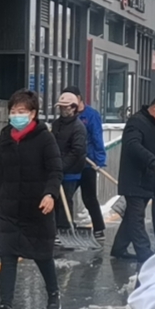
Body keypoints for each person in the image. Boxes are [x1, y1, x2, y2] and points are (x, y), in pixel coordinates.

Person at [0, 90, 64, 309]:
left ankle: (53, 294)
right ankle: (6, 306)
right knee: (7, 255)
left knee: (42, 254)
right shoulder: (5, 136)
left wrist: (50, 194)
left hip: (37, 206)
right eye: (13, 111)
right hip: (9, 206)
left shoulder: (44, 138)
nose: (16, 115)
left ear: (33, 114)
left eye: (21, 111)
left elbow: (55, 170)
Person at [111, 96, 155, 262]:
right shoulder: (136, 122)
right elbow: (132, 145)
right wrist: (151, 160)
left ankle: (119, 248)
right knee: (137, 218)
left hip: (148, 179)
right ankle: (144, 253)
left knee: (132, 216)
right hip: (134, 178)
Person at [63, 87, 108, 241]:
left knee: (89, 198)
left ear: (79, 98)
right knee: (65, 196)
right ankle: (66, 227)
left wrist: (99, 160)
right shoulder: (66, 116)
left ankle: (99, 229)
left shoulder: (91, 115)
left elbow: (97, 137)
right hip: (71, 164)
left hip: (88, 163)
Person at [52, 94, 90, 227]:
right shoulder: (56, 124)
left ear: (73, 108)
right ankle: (55, 228)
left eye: (66, 107)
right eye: (61, 107)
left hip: (71, 171)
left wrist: (61, 166)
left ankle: (65, 227)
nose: (62, 109)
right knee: (55, 199)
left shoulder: (78, 127)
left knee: (65, 200)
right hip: (56, 168)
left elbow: (77, 151)